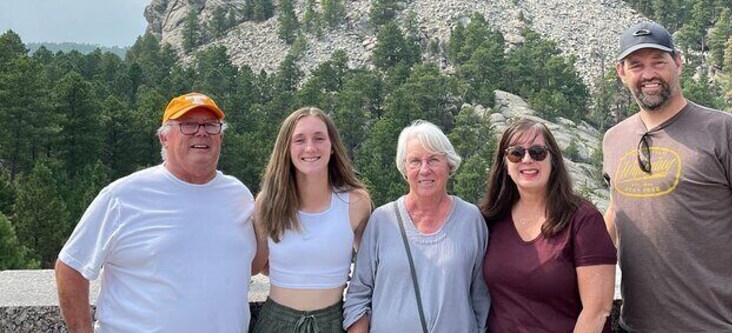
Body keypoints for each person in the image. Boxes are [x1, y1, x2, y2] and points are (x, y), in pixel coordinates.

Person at [603, 21, 732, 332]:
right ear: (622, 72)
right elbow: (617, 211)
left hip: (712, 325)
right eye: (637, 65)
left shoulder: (725, 131)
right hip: (634, 325)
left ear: (678, 62)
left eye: (658, 62)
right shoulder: (614, 139)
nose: (649, 75)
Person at [55, 92, 256, 333]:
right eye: (188, 125)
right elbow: (70, 267)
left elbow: (248, 264)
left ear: (220, 137)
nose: (201, 132)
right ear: (164, 138)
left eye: (211, 125)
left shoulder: (239, 195)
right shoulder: (122, 196)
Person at [344, 121, 490, 332]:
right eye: (415, 161)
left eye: (433, 160)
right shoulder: (382, 220)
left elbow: (481, 298)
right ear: (404, 168)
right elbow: (358, 295)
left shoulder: (471, 219)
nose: (424, 169)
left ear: (449, 164)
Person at [481, 118, 616, 333]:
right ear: (505, 164)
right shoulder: (491, 219)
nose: (527, 159)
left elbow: (597, 310)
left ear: (553, 160)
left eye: (537, 152)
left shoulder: (582, 220)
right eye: (516, 153)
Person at [252, 107, 371, 333]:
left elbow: (369, 273)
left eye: (319, 138)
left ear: (332, 146)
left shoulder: (355, 203)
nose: (310, 147)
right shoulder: (267, 203)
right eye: (299, 140)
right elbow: (257, 265)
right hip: (276, 322)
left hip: (334, 321)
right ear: (286, 148)